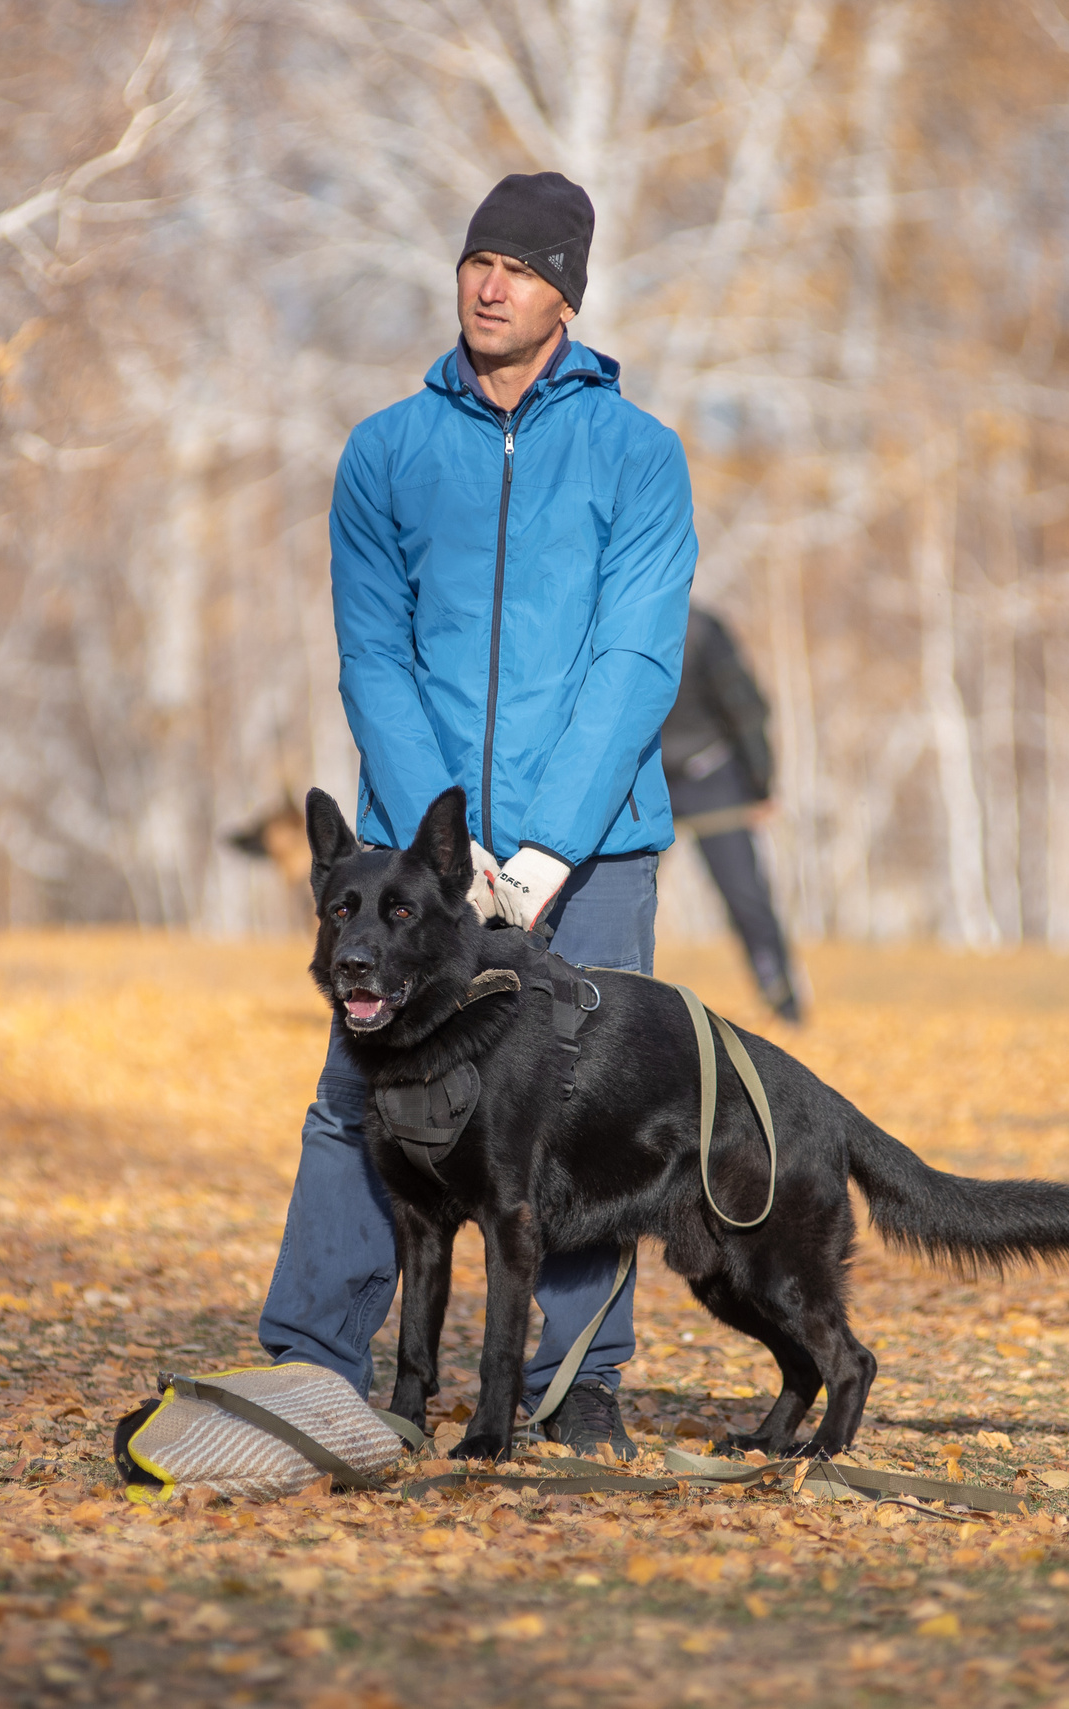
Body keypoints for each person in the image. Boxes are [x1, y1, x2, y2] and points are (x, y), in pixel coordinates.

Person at [256, 171, 698, 1457]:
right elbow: (372, 657)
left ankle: (576, 1385)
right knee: (357, 1095)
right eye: (475, 259)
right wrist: (442, 859)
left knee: (586, 1110)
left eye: (520, 265)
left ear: (567, 291)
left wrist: (546, 848)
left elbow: (635, 660)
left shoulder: (639, 455)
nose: (490, 282)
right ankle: (315, 1364)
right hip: (421, 863)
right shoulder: (385, 450)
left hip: (593, 847)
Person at [662, 606, 805, 1023]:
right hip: (657, 782)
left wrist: (759, 782)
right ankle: (782, 999)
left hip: (708, 779)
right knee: (744, 897)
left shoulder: (700, 629)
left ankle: (781, 997)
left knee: (744, 897)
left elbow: (742, 705)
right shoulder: (703, 626)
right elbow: (747, 705)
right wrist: (761, 782)